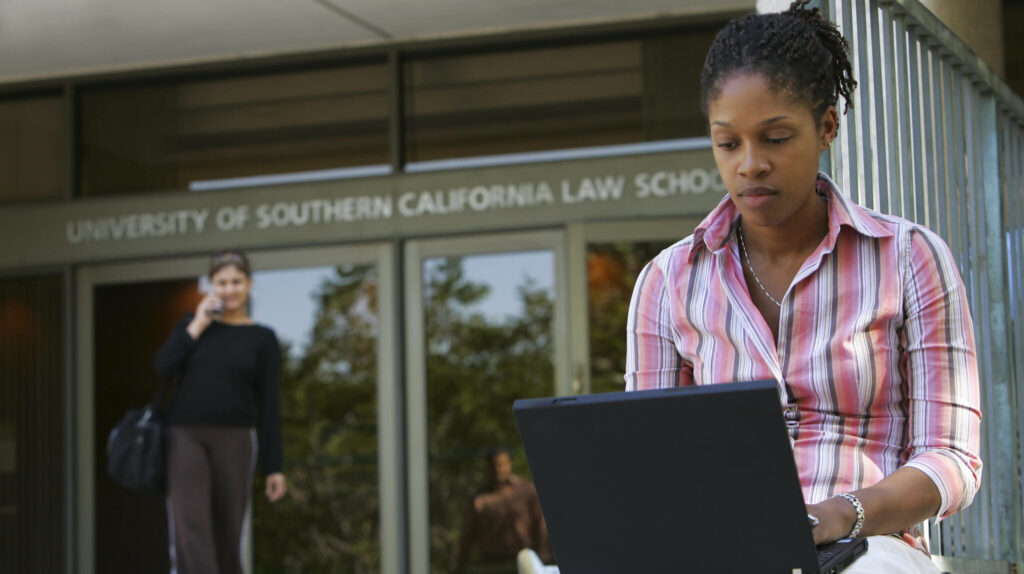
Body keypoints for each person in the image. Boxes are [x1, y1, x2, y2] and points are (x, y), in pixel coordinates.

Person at [621, 1, 983, 572]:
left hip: (869, 548)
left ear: (827, 128)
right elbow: (652, 464)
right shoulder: (667, 282)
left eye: (775, 138)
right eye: (728, 143)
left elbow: (954, 459)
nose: (750, 164)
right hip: (726, 549)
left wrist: (842, 513)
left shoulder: (909, 259)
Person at [153, 249, 287, 574]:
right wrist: (197, 325)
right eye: (222, 282)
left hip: (235, 438)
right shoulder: (192, 327)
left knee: (228, 531)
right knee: (191, 528)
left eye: (236, 282)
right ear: (211, 285)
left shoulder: (262, 338)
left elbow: (270, 404)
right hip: (185, 436)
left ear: (249, 284)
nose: (229, 289)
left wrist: (274, 467)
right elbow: (162, 367)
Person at [454, 448, 552, 574]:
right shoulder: (480, 498)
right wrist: (460, 564)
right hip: (490, 564)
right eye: (494, 465)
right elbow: (467, 534)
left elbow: (541, 524)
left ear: (509, 464)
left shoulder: (527, 491)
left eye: (501, 464)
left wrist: (543, 556)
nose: (498, 469)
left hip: (522, 561)